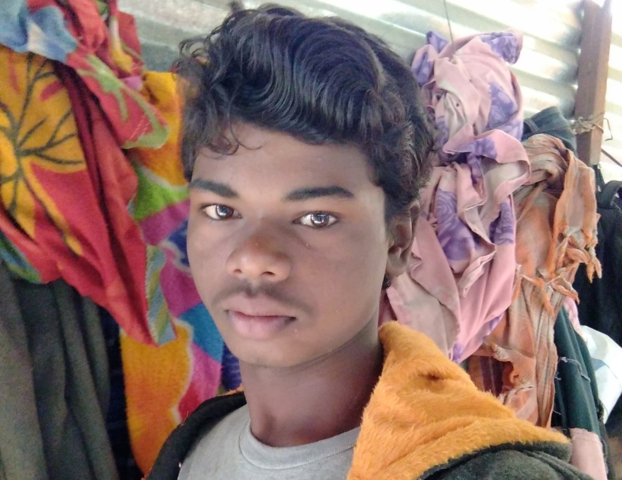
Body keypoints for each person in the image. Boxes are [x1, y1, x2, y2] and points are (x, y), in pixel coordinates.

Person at [147, 5, 592, 479]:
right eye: (221, 211)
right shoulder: (193, 447)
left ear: (398, 241)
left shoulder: (496, 473)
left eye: (316, 218)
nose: (253, 258)